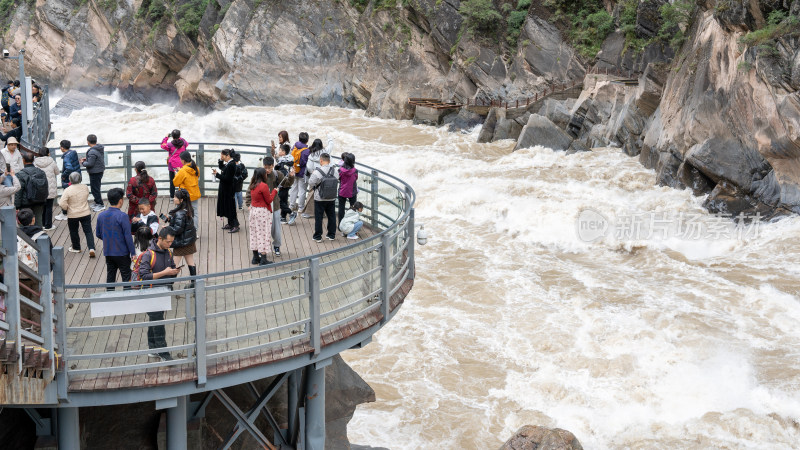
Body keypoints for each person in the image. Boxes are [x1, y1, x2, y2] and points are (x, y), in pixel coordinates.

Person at [134, 226, 179, 361]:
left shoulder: (168, 252)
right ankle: (163, 352)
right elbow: (144, 275)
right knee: (158, 322)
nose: (170, 245)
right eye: (168, 242)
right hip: (150, 294)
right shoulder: (148, 254)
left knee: (155, 320)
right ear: (160, 239)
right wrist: (165, 273)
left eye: (171, 242)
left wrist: (173, 273)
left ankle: (152, 349)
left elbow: (170, 274)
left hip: (163, 293)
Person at [95, 188, 136, 290]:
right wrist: (133, 253)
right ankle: (127, 298)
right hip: (122, 253)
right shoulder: (122, 216)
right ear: (121, 200)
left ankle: (110, 298)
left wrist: (109, 239)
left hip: (108, 252)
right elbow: (128, 236)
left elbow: (98, 234)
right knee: (126, 277)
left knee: (110, 277)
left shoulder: (101, 216)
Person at [58, 171, 96, 257]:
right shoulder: (85, 187)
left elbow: (61, 203)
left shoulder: (68, 190)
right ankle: (91, 248)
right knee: (88, 231)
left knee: (74, 231)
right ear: (80, 179)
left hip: (73, 214)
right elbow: (86, 196)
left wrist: (67, 208)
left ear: (70, 180)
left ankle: (76, 247)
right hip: (85, 212)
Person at [165, 188, 197, 282]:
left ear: (181, 200)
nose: (174, 198)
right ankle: (194, 283)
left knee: (174, 265)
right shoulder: (188, 209)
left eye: (175, 197)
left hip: (181, 242)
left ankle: (169, 286)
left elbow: (178, 229)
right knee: (191, 262)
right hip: (189, 241)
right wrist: (171, 220)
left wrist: (167, 228)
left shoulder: (179, 213)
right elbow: (183, 224)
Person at [306, 153, 339, 242]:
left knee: (319, 217)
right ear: (329, 161)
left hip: (319, 198)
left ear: (321, 160)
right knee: (331, 216)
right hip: (331, 197)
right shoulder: (335, 171)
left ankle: (318, 236)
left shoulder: (317, 172)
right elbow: (337, 179)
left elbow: (311, 183)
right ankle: (331, 235)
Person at [247, 168, 277, 265]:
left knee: (254, 233)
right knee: (263, 234)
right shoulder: (263, 186)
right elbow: (268, 200)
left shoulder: (252, 185)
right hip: (262, 212)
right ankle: (263, 259)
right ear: (262, 175)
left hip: (253, 210)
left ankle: (255, 257)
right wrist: (274, 192)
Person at [15, 151, 48, 227]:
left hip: (26, 203)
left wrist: (17, 206)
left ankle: (27, 238)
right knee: (38, 221)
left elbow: (18, 192)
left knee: (25, 223)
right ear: (33, 160)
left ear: (23, 160)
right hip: (39, 200)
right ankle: (40, 237)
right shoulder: (41, 172)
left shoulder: (20, 174)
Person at [262, 156, 287, 256]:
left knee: (276, 228)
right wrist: (249, 203)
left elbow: (287, 183)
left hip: (275, 205)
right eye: (265, 167)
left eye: (269, 167)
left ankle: (276, 246)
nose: (267, 170)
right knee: (263, 229)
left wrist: (292, 176)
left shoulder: (278, 174)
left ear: (273, 166)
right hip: (263, 206)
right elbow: (251, 189)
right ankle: (263, 248)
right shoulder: (259, 175)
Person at [172, 150, 201, 229]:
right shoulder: (196, 168)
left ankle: (184, 230)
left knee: (182, 213)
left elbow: (175, 183)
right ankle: (195, 231)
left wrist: (177, 174)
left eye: (180, 159)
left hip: (185, 195)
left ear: (183, 160)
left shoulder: (182, 171)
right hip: (194, 194)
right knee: (194, 213)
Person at [212, 149, 239, 232]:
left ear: (228, 156)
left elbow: (228, 179)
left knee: (231, 207)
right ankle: (230, 223)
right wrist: (220, 160)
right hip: (226, 188)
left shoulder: (231, 165)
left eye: (222, 156)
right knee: (227, 206)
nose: (221, 157)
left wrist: (217, 175)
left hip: (229, 189)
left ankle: (235, 225)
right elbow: (222, 167)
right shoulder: (229, 164)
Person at [34, 147, 60, 231]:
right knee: (49, 206)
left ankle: (42, 223)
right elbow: (57, 172)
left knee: (42, 207)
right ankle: (48, 225)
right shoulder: (51, 161)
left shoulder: (35, 162)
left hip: (40, 188)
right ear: (48, 153)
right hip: (50, 187)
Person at [288, 132, 310, 224]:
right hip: (302, 172)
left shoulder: (294, 146)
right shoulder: (307, 150)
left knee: (293, 188)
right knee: (302, 190)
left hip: (293, 170)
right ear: (307, 140)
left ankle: (291, 205)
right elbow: (306, 162)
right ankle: (301, 207)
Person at [55, 140, 80, 221]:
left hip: (69, 179)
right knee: (74, 195)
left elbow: (69, 168)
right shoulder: (73, 153)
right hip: (76, 177)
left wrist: (63, 175)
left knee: (66, 196)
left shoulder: (66, 157)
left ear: (62, 147)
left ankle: (65, 213)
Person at [81, 134, 106, 212]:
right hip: (99, 170)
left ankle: (101, 204)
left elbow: (90, 164)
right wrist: (88, 158)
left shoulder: (92, 151)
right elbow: (96, 158)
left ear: (88, 142)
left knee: (95, 189)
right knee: (95, 187)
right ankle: (97, 202)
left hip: (95, 172)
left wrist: (83, 163)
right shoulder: (98, 148)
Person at [161, 129, 188, 198]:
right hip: (182, 165)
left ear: (172, 136)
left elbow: (162, 145)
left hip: (172, 166)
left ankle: (172, 197)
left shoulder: (170, 145)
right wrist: (180, 137)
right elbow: (186, 143)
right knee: (182, 181)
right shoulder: (183, 143)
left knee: (172, 181)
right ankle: (182, 196)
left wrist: (166, 137)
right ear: (179, 136)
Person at [275, 144, 295, 224]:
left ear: (283, 152)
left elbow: (281, 174)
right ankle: (283, 217)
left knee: (278, 200)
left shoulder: (283, 162)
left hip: (282, 184)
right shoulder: (289, 160)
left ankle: (291, 213)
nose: (279, 151)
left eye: (280, 150)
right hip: (288, 183)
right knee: (284, 200)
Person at [338, 152, 358, 226]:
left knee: (341, 209)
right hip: (352, 192)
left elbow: (339, 178)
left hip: (342, 191)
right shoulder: (355, 171)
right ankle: (351, 225)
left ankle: (340, 225)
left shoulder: (340, 170)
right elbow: (356, 178)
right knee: (353, 209)